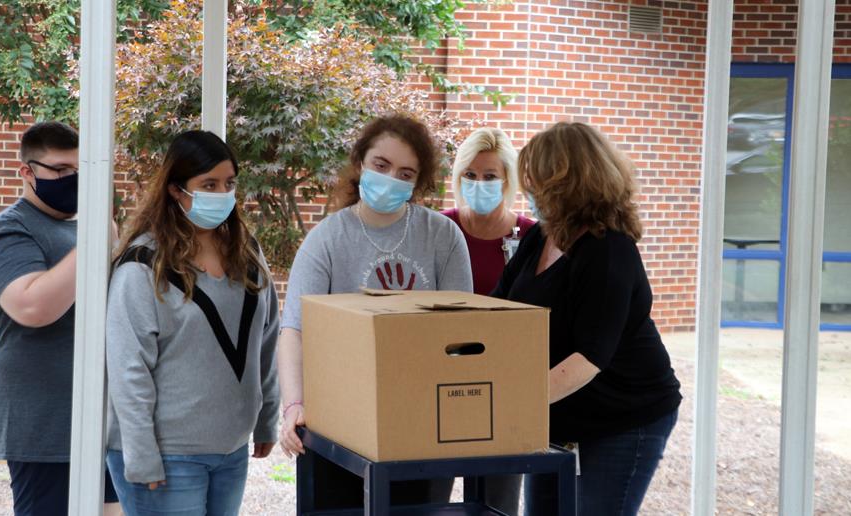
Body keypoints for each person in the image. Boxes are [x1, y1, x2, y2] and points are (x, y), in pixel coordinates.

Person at [278, 114, 473, 508]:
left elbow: (462, 329)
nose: (389, 179)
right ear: (360, 163)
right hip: (340, 422)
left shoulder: (442, 236)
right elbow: (294, 331)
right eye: (381, 166)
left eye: (405, 173)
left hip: (422, 422)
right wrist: (294, 404)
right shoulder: (327, 239)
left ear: (417, 183)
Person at [492, 122, 682, 516]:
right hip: (560, 415)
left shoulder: (608, 250)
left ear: (568, 183)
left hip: (624, 416)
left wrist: (509, 402)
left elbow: (588, 358)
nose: (530, 193)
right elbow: (498, 310)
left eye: (538, 183)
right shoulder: (539, 237)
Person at [105, 130, 280, 515]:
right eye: (209, 184)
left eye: (229, 184)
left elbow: (266, 339)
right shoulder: (143, 265)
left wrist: (267, 418)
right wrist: (141, 454)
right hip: (167, 456)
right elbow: (128, 367)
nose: (222, 194)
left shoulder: (247, 252)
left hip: (230, 449)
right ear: (175, 190)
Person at [0, 122, 121, 515]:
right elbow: (32, 308)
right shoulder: (7, 231)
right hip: (42, 417)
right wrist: (96, 242)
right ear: (27, 171)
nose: (72, 180)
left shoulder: (83, 230)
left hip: (99, 418)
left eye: (79, 170)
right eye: (59, 171)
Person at [441, 127, 535, 513]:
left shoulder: (531, 237)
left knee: (498, 502)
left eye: (490, 176)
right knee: (429, 493)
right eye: (471, 175)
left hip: (505, 382)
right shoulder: (440, 229)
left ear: (508, 180)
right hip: (442, 377)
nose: (479, 184)